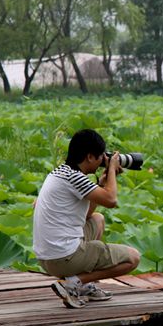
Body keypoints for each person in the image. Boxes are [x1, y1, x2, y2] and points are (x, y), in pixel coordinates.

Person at [33, 129, 141, 308]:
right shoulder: (75, 177)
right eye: (100, 157)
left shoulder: (61, 173)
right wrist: (113, 170)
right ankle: (73, 283)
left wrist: (101, 184)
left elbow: (87, 215)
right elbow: (111, 200)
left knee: (97, 219)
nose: (101, 162)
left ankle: (80, 285)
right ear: (90, 157)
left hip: (48, 257)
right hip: (62, 259)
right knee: (133, 258)